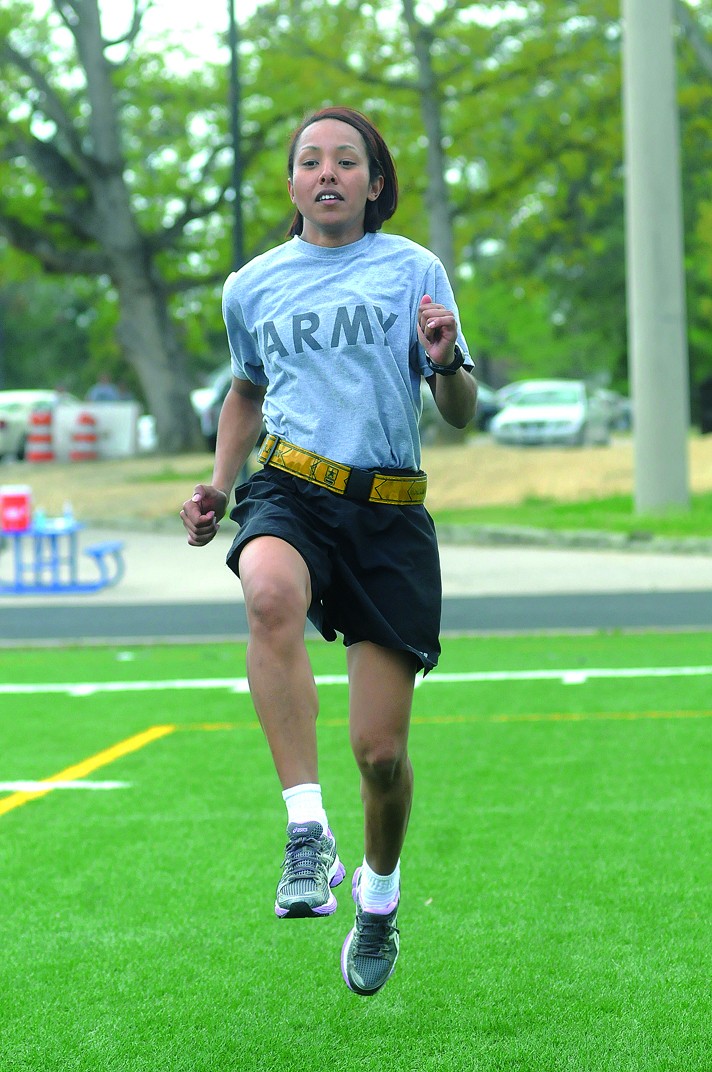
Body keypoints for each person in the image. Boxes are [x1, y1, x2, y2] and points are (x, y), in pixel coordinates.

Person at [180, 106, 477, 997]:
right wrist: (220, 486)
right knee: (267, 591)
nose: (328, 173)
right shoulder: (253, 285)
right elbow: (245, 389)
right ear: (292, 184)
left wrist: (448, 355)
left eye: (347, 161)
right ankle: (306, 832)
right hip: (292, 488)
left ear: (374, 183)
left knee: (381, 756)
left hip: (388, 512)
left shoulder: (413, 270)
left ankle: (379, 900)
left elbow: (459, 411)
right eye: (310, 161)